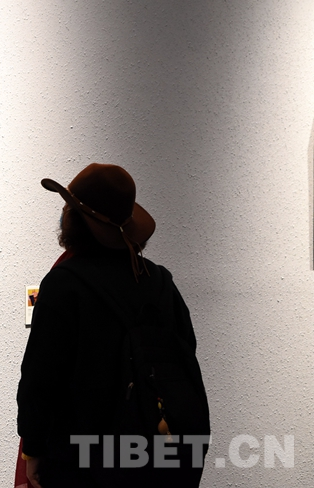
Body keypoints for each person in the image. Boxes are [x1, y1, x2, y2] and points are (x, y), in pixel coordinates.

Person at [17, 163, 210, 487]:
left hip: (84, 461)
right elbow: (185, 350)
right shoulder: (159, 280)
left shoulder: (65, 284)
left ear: (76, 221)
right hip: (158, 455)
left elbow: (40, 379)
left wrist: (33, 448)